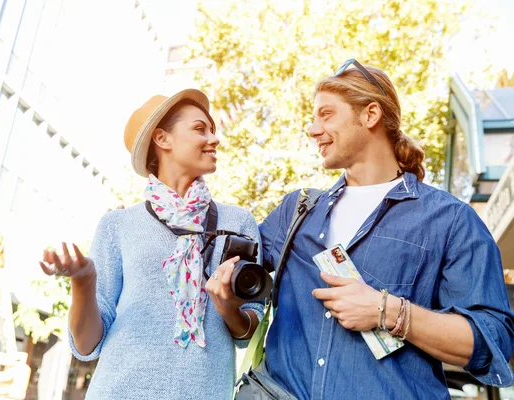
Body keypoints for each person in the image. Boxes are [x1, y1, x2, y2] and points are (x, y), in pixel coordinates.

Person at [259, 60, 514, 399]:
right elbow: (228, 272)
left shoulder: (451, 220)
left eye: (326, 114)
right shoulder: (297, 212)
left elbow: (493, 341)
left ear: (370, 115)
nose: (313, 129)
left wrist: (390, 312)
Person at [40, 89, 263, 399]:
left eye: (212, 130)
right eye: (200, 129)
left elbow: (250, 328)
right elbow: (87, 344)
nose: (214, 139)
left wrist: (228, 309)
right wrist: (83, 281)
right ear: (162, 139)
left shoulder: (238, 222)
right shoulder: (117, 226)